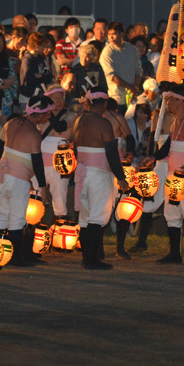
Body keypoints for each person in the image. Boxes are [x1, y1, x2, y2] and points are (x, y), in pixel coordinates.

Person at [142, 85, 184, 265]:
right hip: (172, 176)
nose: (167, 103)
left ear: (181, 101)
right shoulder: (174, 121)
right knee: (171, 213)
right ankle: (174, 254)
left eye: (171, 99)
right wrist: (154, 157)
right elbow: (168, 146)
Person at [71, 88, 129, 270]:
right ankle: (91, 259)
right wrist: (121, 177)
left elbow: (75, 148)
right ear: (104, 103)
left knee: (85, 218)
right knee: (96, 217)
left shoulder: (79, 120)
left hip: (82, 172)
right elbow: (112, 153)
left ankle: (87, 258)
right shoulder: (103, 123)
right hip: (98, 173)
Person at [0, 95, 54, 266]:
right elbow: (37, 162)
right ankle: (14, 258)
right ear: (41, 114)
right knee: (17, 218)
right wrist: (42, 186)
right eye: (48, 113)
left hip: (1, 174)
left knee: (3, 214)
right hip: (17, 178)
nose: (49, 116)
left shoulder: (10, 123)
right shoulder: (33, 133)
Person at [33, 84, 77, 222]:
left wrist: (49, 112)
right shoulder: (41, 116)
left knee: (60, 199)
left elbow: (60, 127)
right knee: (34, 198)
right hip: (39, 162)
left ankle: (61, 226)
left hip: (61, 163)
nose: (59, 101)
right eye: (55, 98)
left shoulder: (71, 115)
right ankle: (30, 227)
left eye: (61, 97)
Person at [99, 22, 141, 114]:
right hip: (115, 97)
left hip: (131, 97)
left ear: (121, 34)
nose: (111, 37)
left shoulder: (132, 49)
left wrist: (134, 88)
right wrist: (130, 87)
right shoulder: (107, 52)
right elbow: (111, 76)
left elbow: (138, 71)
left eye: (114, 34)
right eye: (109, 34)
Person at [19, 32, 54, 104]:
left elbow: (49, 77)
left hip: (39, 94)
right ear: (35, 46)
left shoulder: (41, 59)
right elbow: (28, 77)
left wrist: (39, 75)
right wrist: (42, 76)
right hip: (28, 96)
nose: (44, 48)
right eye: (42, 46)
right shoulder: (27, 60)